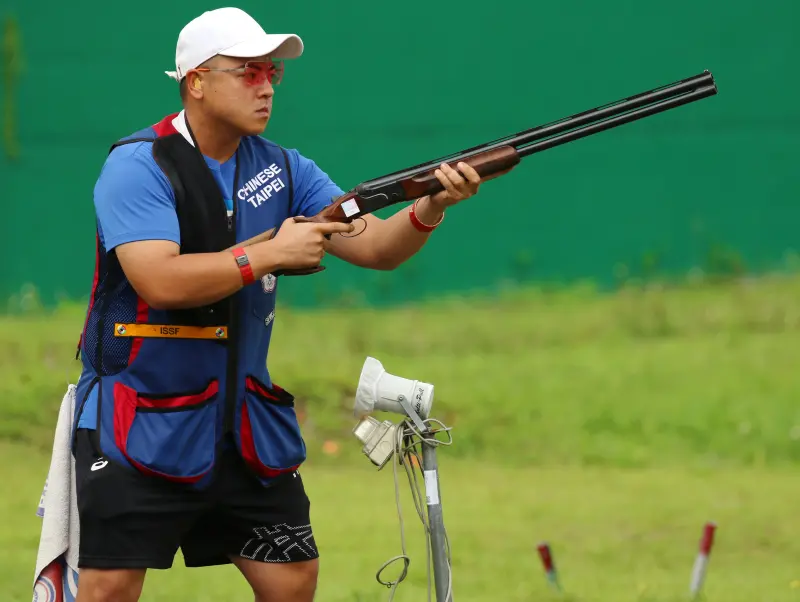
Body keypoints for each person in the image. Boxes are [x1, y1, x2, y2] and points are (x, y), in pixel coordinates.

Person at [71, 6, 483, 602]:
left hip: (242, 425)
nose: (265, 87)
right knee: (108, 587)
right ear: (196, 82)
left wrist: (430, 208)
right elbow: (158, 281)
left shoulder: (283, 166)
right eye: (248, 72)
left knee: (291, 578)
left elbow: (376, 248)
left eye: (272, 74)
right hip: (140, 420)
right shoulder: (138, 166)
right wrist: (265, 255)